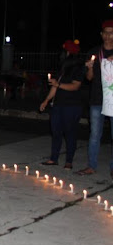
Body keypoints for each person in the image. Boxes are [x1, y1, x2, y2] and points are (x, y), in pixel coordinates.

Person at [39, 40, 84, 169]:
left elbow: (75, 86)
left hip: (72, 105)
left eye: (64, 51)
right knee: (56, 132)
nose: (61, 54)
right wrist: (46, 100)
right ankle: (54, 158)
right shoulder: (63, 68)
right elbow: (55, 86)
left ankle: (69, 161)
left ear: (68, 52)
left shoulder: (78, 67)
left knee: (70, 133)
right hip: (58, 105)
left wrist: (58, 84)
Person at [78, 20, 113, 176]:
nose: (108, 36)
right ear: (101, 34)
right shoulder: (94, 52)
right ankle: (91, 165)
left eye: (111, 32)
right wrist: (90, 68)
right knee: (94, 134)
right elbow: (89, 78)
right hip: (97, 99)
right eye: (105, 32)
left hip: (112, 99)